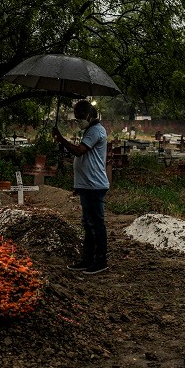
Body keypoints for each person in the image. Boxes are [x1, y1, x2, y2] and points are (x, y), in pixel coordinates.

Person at [52, 100, 110, 274]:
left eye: (80, 118)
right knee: (88, 224)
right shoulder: (90, 131)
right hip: (87, 185)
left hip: (94, 185)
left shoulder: (95, 131)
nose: (78, 122)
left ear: (90, 115)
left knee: (96, 224)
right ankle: (87, 259)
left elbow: (79, 151)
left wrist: (61, 138)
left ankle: (100, 261)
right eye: (76, 118)